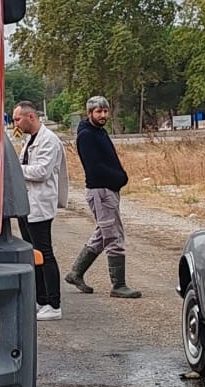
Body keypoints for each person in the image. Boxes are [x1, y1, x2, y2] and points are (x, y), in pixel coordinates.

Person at [66, 95, 140, 298]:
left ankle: (76, 272)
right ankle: (119, 285)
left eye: (105, 111)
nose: (103, 115)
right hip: (101, 191)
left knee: (103, 233)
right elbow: (95, 168)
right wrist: (120, 178)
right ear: (89, 113)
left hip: (107, 190)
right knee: (113, 235)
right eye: (98, 111)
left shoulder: (98, 132)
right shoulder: (87, 136)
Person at [10, 101, 66, 319]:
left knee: (45, 254)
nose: (15, 123)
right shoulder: (30, 140)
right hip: (27, 204)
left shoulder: (49, 140)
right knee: (33, 254)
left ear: (30, 117)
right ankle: (40, 299)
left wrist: (15, 168)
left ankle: (54, 303)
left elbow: (41, 171)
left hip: (40, 205)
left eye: (17, 119)